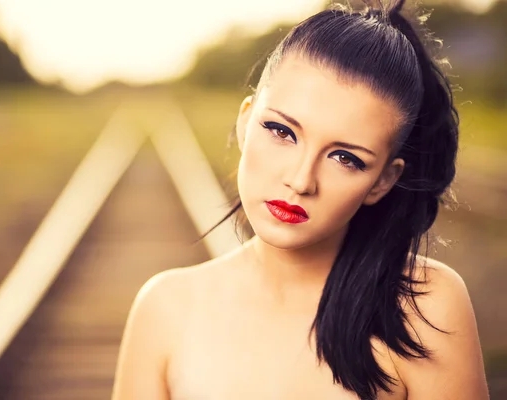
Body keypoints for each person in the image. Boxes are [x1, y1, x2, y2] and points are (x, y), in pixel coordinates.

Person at [111, 0, 489, 398]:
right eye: (281, 132)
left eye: (345, 158)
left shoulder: (426, 309)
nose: (300, 180)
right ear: (245, 122)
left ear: (382, 181)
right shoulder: (165, 309)